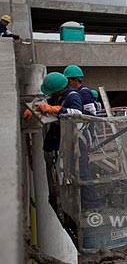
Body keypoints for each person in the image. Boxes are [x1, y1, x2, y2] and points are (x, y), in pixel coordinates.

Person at [36, 72, 101, 210]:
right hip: (67, 139)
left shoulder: (74, 96)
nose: (52, 95)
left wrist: (59, 110)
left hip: (77, 141)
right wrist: (35, 108)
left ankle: (93, 204)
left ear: (60, 88)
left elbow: (78, 116)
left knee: (82, 173)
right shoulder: (57, 96)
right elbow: (46, 102)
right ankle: (81, 202)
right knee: (71, 172)